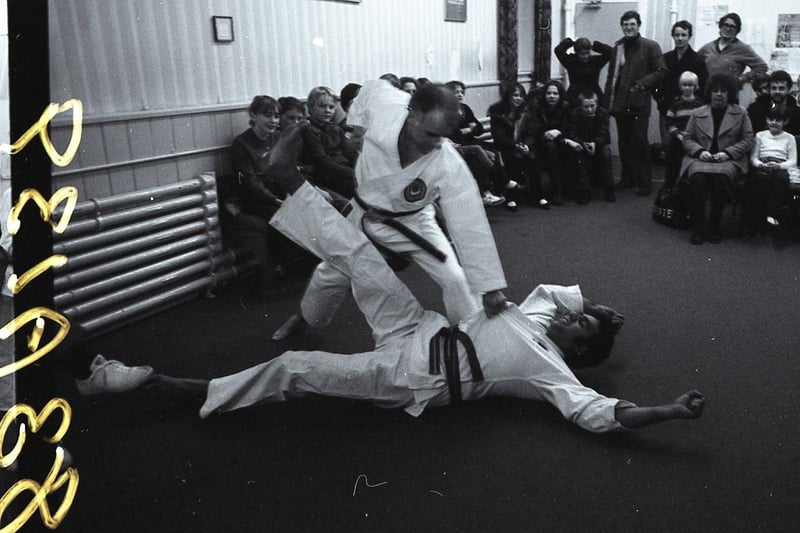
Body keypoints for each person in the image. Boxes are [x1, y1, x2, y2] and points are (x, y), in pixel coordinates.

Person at [76, 132, 706, 432]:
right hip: (420, 326)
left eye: (580, 326)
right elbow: (562, 294)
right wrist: (597, 307)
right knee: (361, 257)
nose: (571, 317)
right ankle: (287, 181)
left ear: (577, 348)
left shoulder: (553, 372)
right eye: (576, 316)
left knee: (296, 366)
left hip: (416, 377)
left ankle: (160, 383)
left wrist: (666, 410)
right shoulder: (541, 316)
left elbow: (603, 412)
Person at [271, 80, 509, 342]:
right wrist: (356, 128)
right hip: (364, 213)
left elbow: (469, 222)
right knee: (332, 272)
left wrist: (490, 287)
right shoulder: (387, 105)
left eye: (443, 135)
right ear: (413, 114)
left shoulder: (447, 162)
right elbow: (372, 87)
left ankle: (473, 339)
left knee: (454, 278)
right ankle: (305, 318)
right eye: (431, 134)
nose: (437, 143)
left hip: (415, 221)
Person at [225, 95, 290, 296]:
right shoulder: (241, 144)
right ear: (253, 115)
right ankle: (270, 280)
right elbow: (250, 184)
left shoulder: (278, 137)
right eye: (267, 115)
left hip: (278, 195)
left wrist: (290, 193)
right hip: (255, 200)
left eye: (277, 116)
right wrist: (278, 201)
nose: (273, 121)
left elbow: (286, 170)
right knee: (287, 220)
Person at [680, 73, 754, 245]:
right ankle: (698, 227)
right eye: (715, 90)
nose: (719, 94)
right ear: (709, 92)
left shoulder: (741, 113)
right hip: (701, 158)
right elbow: (687, 138)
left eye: (723, 91)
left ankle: (714, 225)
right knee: (698, 180)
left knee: (721, 181)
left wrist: (728, 153)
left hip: (728, 160)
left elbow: (748, 139)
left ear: (730, 93)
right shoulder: (697, 112)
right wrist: (699, 151)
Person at [603, 10, 667, 197]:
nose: (629, 27)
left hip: (639, 103)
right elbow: (611, 77)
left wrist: (641, 84)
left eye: (632, 24)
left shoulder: (650, 46)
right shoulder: (618, 47)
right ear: (622, 26)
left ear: (638, 25)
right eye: (625, 24)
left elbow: (662, 70)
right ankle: (627, 178)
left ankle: (645, 183)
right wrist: (608, 103)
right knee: (623, 142)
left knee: (640, 142)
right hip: (620, 104)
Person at [445, 79, 507, 207]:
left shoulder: (465, 108)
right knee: (476, 156)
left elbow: (479, 129)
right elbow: (452, 135)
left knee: (494, 152)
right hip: (457, 146)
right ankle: (497, 186)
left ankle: (496, 191)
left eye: (462, 92)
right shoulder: (446, 112)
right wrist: (469, 129)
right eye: (456, 92)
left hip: (470, 141)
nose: (460, 94)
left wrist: (469, 130)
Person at [745, 105, 800, 233]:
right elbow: (753, 157)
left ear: (785, 122)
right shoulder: (760, 135)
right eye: (771, 119)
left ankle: (772, 213)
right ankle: (759, 214)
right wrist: (760, 164)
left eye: (778, 120)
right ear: (766, 120)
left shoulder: (789, 138)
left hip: (780, 165)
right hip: (763, 164)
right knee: (761, 178)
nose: (774, 122)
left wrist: (779, 166)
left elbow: (793, 160)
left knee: (781, 179)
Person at [655, 21, 708, 150]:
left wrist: (696, 103)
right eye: (677, 35)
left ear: (689, 37)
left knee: (689, 145)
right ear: (672, 36)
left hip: (690, 109)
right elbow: (656, 81)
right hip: (667, 108)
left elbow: (704, 85)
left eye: (683, 35)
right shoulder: (665, 58)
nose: (680, 38)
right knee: (668, 145)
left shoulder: (698, 60)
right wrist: (660, 100)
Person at [299, 86, 358, 198]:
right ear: (310, 108)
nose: (327, 110)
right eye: (322, 106)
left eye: (331, 107)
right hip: (328, 175)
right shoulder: (308, 130)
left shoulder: (336, 129)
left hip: (345, 172)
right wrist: (352, 173)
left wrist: (362, 167)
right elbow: (323, 162)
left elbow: (351, 154)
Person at [519, 80, 570, 206]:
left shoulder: (565, 107)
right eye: (549, 93)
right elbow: (533, 130)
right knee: (550, 147)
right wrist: (528, 145)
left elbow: (569, 127)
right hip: (541, 143)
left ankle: (564, 190)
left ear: (560, 95)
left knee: (556, 148)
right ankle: (556, 192)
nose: (552, 96)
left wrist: (558, 132)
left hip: (562, 142)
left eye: (555, 93)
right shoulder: (538, 108)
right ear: (544, 95)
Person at [488, 82, 537, 211]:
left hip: (521, 146)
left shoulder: (526, 111)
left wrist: (526, 145)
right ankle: (512, 196)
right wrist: (516, 145)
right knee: (513, 157)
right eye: (515, 95)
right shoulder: (497, 112)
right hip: (505, 147)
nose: (518, 99)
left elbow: (531, 132)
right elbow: (499, 137)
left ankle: (538, 195)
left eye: (521, 96)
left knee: (531, 157)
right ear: (508, 96)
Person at [562, 90, 616, 204]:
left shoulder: (603, 113)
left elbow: (603, 133)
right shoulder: (574, 114)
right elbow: (572, 133)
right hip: (581, 143)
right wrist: (582, 143)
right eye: (586, 106)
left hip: (598, 144)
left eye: (592, 106)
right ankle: (584, 190)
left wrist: (595, 143)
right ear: (580, 107)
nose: (590, 109)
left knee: (606, 153)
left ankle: (609, 189)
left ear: (597, 104)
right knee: (578, 155)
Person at [697, 13, 768, 97]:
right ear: (720, 27)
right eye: (725, 25)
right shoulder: (708, 47)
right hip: (708, 93)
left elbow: (762, 66)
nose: (728, 29)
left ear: (737, 30)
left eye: (732, 26)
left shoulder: (742, 48)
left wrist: (742, 78)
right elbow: (694, 63)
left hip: (730, 94)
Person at [663, 71, 705, 189]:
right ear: (680, 86)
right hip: (678, 140)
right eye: (684, 85)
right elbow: (669, 121)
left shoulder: (699, 103)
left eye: (690, 85)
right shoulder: (675, 102)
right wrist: (678, 134)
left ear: (695, 86)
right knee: (673, 165)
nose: (687, 88)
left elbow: (702, 122)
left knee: (691, 165)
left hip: (694, 140)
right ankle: (669, 188)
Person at [554, 37, 613, 105]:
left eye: (588, 53)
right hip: (574, 96)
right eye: (582, 54)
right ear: (577, 53)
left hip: (594, 95)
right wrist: (571, 42)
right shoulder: (571, 62)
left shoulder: (595, 62)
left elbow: (611, 52)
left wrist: (594, 45)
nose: (586, 56)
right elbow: (558, 50)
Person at [746, 70, 800, 135]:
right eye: (774, 88)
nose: (777, 91)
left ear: (789, 89)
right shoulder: (754, 109)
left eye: (781, 88)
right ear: (769, 89)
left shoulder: (796, 113)